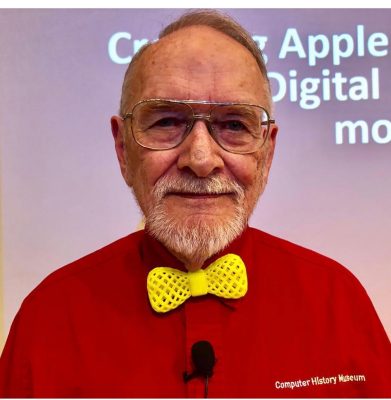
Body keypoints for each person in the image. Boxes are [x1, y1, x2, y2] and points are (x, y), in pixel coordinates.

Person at [0, 9, 390, 398]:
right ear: (123, 148)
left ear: (267, 152)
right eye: (167, 121)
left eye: (234, 125)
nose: (201, 160)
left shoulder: (339, 304)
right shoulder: (47, 319)